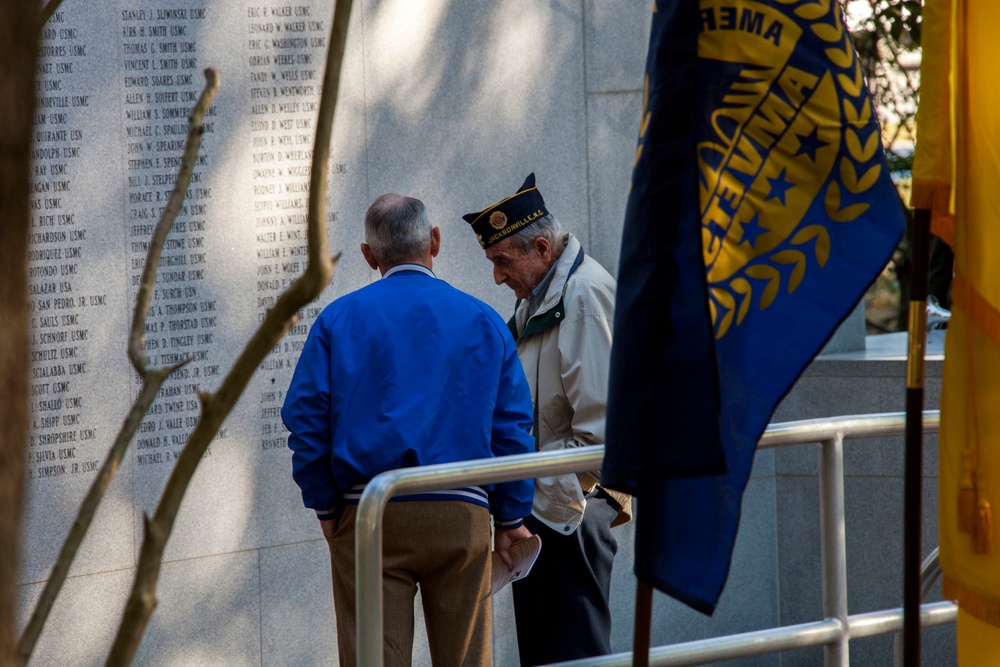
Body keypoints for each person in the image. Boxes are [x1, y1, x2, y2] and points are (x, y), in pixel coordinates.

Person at [282, 193, 535, 667]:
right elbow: (512, 430)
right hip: (462, 511)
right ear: (435, 241)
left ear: (368, 255)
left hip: (370, 510)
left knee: (374, 659)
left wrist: (324, 504)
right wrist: (511, 515)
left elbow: (307, 418)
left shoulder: (336, 320)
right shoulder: (483, 320)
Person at [463, 173, 633, 666]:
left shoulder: (582, 295)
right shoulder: (544, 296)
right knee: (548, 654)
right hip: (545, 504)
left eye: (501, 261)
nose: (496, 276)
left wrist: (529, 480)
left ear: (541, 247)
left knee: (573, 653)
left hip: (572, 510)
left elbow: (601, 437)